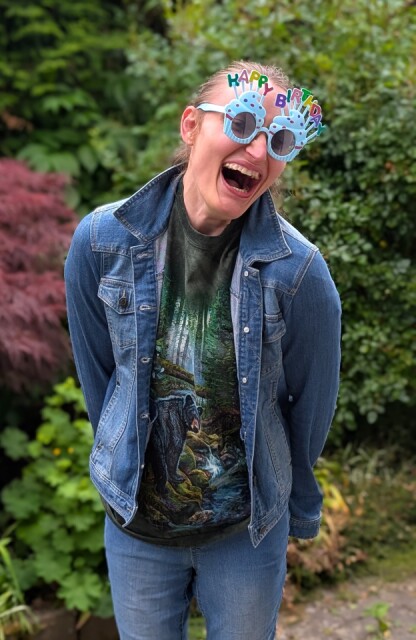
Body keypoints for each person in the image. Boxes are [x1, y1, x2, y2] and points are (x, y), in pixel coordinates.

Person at [64, 60, 341, 640]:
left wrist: (289, 498)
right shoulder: (102, 242)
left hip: (245, 536)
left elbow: (310, 409)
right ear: (191, 125)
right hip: (138, 532)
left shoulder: (299, 274)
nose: (258, 150)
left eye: (279, 139)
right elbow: (101, 379)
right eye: (242, 123)